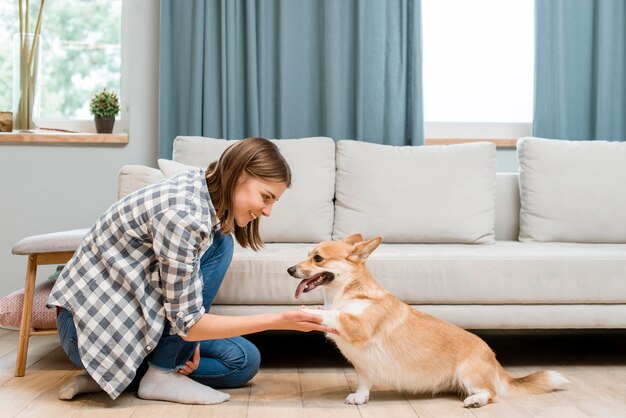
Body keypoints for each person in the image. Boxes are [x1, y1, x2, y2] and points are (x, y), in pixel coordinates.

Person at [48, 137, 333, 405]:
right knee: (222, 245)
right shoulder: (183, 216)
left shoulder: (203, 189)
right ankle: (157, 375)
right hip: (86, 330)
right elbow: (190, 323)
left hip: (136, 319)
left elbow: (182, 305)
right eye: (266, 197)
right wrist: (281, 319)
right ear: (240, 175)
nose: (268, 211)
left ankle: (118, 376)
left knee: (243, 360)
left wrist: (184, 339)